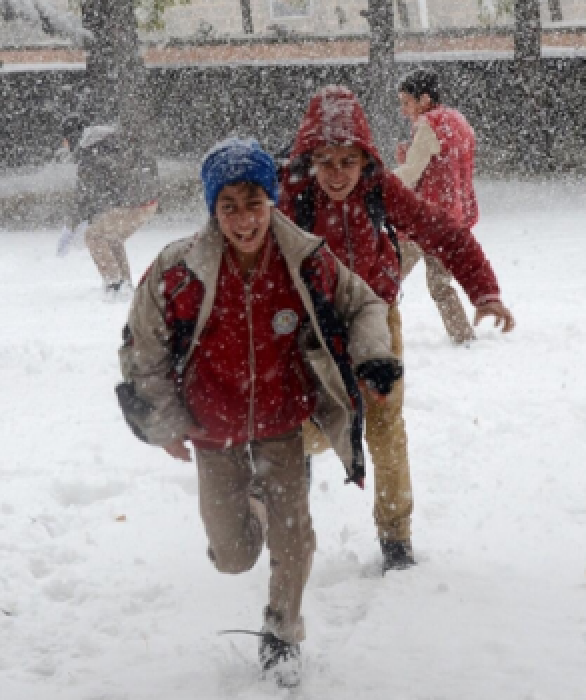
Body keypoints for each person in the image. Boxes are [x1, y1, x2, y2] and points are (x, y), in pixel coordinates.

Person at [117, 139, 401, 687]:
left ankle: (282, 634)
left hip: (280, 414)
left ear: (272, 201)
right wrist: (165, 422)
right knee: (232, 555)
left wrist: (374, 356)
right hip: (211, 421)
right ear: (213, 210)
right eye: (229, 207)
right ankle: (253, 507)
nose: (244, 220)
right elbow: (142, 346)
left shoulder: (306, 259)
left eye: (254, 203)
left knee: (294, 536)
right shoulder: (179, 270)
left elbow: (365, 302)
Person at [279, 86, 517, 572]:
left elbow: (444, 233)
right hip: (314, 326)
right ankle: (291, 486)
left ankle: (396, 539)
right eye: (326, 161)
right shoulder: (292, 196)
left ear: (364, 157)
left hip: (376, 316)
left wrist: (484, 289)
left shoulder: (380, 188)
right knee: (309, 424)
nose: (338, 174)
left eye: (349, 160)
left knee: (385, 428)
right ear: (310, 159)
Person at [394, 69, 481, 345]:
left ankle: (373, 334)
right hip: (451, 219)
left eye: (406, 102)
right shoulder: (459, 122)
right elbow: (451, 166)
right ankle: (463, 336)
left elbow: (411, 172)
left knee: (386, 276)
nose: (403, 110)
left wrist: (376, 181)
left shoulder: (428, 125)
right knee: (441, 284)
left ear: (425, 99)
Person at [57, 88, 160, 300]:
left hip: (134, 201)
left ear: (72, 137)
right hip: (147, 200)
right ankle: (124, 284)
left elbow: (85, 195)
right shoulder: (105, 140)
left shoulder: (91, 151)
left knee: (93, 236)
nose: (65, 146)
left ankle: (115, 284)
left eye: (65, 141)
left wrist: (71, 226)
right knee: (111, 236)